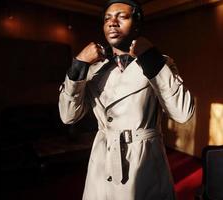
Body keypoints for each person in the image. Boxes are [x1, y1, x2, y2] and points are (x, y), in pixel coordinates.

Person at [58, 0, 195, 199]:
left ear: (137, 25)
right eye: (107, 19)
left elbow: (182, 113)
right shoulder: (93, 69)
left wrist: (150, 57)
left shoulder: (159, 62)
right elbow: (68, 116)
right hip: (103, 160)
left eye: (121, 16)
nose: (112, 22)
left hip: (144, 159)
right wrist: (78, 65)